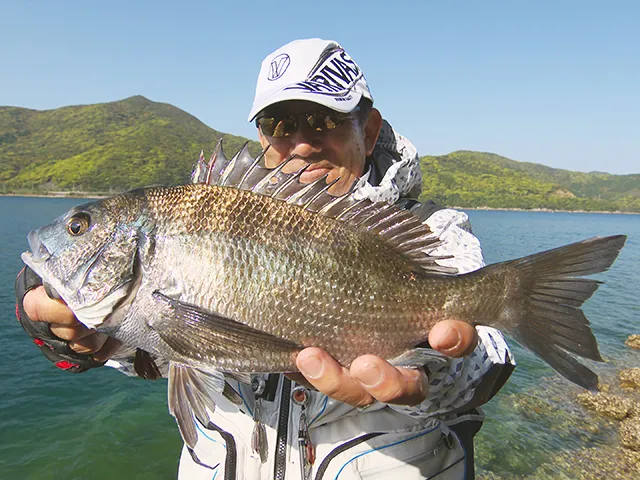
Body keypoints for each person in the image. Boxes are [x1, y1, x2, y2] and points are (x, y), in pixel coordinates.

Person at [16, 38, 515, 479]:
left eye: (324, 119)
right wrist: (70, 334)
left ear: (369, 127)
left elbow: (490, 355)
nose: (301, 142)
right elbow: (156, 350)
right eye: (279, 124)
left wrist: (435, 374)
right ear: (261, 135)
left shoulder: (432, 231)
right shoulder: (213, 220)